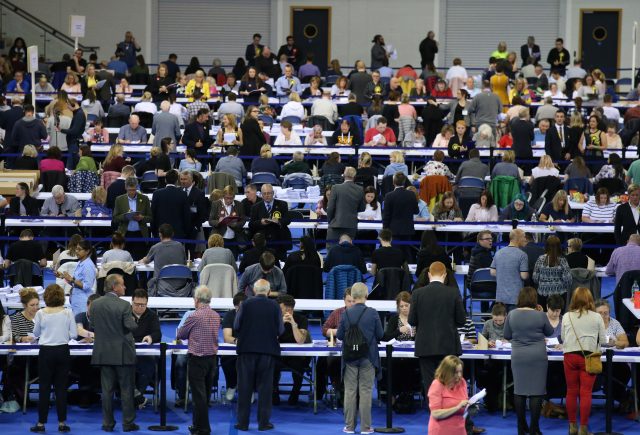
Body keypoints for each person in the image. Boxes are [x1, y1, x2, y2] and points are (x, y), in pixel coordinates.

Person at [409, 262, 465, 404]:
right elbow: (461, 320)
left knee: (431, 388)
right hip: (448, 346)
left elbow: (412, 320)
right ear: (445, 275)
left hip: (425, 346)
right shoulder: (453, 292)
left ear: (428, 275)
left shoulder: (417, 293)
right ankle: (452, 419)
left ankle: (435, 419)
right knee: (451, 385)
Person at [90, 274, 139, 432]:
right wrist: (135, 320)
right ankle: (128, 423)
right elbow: (130, 326)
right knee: (126, 390)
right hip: (122, 354)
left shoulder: (95, 304)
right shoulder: (124, 305)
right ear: (114, 287)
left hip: (103, 353)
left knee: (106, 391)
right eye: (122, 285)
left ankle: (107, 423)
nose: (125, 287)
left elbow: (92, 325)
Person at [234, 279, 283, 431]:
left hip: (247, 350)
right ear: (268, 292)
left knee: (244, 388)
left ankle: (243, 423)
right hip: (267, 351)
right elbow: (281, 330)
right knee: (265, 389)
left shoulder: (246, 304)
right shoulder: (275, 306)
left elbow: (236, 325)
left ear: (254, 291)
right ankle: (263, 423)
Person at [504, 287, 554, 435]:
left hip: (519, 355)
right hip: (537, 356)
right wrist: (542, 312)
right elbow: (550, 332)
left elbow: (507, 335)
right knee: (536, 393)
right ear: (534, 299)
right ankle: (534, 428)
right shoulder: (540, 315)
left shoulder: (512, 314)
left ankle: (521, 427)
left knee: (519, 391)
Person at [337, 282, 383, 434]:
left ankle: (349, 427)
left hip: (350, 356)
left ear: (353, 296)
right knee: (366, 391)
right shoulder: (373, 313)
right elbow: (380, 335)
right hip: (368, 357)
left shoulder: (345, 313)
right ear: (366, 295)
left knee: (350, 391)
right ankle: (365, 427)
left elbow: (340, 335)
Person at [31, 284, 77, 433]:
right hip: (63, 350)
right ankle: (62, 423)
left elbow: (36, 332)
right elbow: (74, 334)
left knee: (44, 388)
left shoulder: (40, 313)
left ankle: (40, 424)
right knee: (61, 388)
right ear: (62, 296)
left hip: (46, 352)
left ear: (46, 297)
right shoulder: (68, 312)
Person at [176, 285, 220, 435]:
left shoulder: (194, 316)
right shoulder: (216, 315)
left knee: (198, 396)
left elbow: (181, 334)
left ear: (196, 300)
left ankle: (203, 428)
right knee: (205, 395)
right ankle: (197, 425)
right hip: (212, 359)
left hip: (197, 359)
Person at [561, 287, 606, 435]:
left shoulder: (567, 316)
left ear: (574, 299)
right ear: (589, 299)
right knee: (586, 392)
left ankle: (572, 426)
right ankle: (583, 428)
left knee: (571, 391)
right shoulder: (597, 317)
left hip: (570, 357)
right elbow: (603, 340)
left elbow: (563, 338)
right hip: (590, 357)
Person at [248, 184, 292, 261]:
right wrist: (261, 222)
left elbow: (287, 220)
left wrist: (278, 221)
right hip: (263, 243)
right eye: (264, 193)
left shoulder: (282, 204)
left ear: (273, 193)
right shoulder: (256, 207)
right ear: (261, 195)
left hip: (279, 240)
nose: (267, 195)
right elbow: (251, 224)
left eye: (269, 193)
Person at [112, 177, 152, 260]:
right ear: (125, 188)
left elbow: (150, 218)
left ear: (137, 187)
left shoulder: (144, 199)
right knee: (124, 262)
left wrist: (142, 218)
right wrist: (125, 216)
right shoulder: (119, 199)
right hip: (125, 235)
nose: (132, 192)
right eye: (130, 190)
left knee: (140, 261)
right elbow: (115, 218)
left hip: (140, 235)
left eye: (134, 190)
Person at [427, 355, 468, 435]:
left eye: (461, 372)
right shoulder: (437, 384)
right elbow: (435, 414)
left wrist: (471, 407)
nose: (459, 375)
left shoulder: (462, 382)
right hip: (440, 430)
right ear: (447, 372)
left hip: (460, 429)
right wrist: (457, 407)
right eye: (456, 372)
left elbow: (464, 404)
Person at [491, 229, 529, 309]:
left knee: (501, 321)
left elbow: (492, 272)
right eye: (524, 237)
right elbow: (524, 276)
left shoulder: (498, 253)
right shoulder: (522, 255)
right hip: (515, 298)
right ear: (518, 238)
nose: (525, 239)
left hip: (500, 297)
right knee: (514, 321)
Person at [326, 167, 365, 242]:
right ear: (354, 176)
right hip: (351, 225)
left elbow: (330, 208)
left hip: (336, 224)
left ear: (344, 175)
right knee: (348, 251)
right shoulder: (360, 189)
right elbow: (362, 208)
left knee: (332, 249)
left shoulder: (335, 188)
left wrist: (330, 221)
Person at [58, 240, 95, 316]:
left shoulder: (88, 266)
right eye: (76, 249)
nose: (76, 251)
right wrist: (64, 277)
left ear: (87, 251)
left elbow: (87, 286)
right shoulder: (79, 263)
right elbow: (74, 283)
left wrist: (72, 279)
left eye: (79, 249)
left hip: (83, 301)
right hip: (76, 298)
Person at [382, 172, 419, 249]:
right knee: (407, 252)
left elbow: (386, 215)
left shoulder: (389, 196)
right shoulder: (411, 194)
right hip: (407, 229)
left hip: (393, 229)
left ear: (393, 182)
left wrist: (385, 229)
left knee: (395, 252)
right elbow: (416, 211)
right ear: (404, 182)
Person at [533, 235, 572, 306]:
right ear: (559, 246)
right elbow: (568, 280)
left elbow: (535, 278)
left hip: (543, 294)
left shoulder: (540, 259)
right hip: (559, 295)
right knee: (558, 316)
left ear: (546, 246)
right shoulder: (563, 260)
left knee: (543, 316)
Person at [151, 170, 191, 239]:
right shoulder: (183, 194)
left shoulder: (157, 193)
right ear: (176, 181)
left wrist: (154, 232)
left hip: (161, 233)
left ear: (165, 180)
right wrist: (185, 232)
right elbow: (187, 216)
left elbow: (152, 214)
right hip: (178, 233)